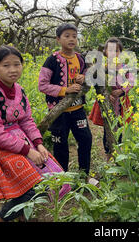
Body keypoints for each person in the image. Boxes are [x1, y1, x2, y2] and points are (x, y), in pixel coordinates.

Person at [0, 45, 64, 222]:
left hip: (20, 141)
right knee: (35, 183)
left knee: (50, 177)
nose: (13, 70)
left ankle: (21, 213)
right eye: (6, 65)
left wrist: (38, 144)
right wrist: (28, 150)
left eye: (17, 64)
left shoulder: (20, 90)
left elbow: (26, 120)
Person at [38, 23, 94, 178]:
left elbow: (88, 73)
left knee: (86, 140)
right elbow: (42, 85)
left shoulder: (80, 58)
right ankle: (62, 179)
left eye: (74, 36)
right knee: (60, 144)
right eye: (67, 36)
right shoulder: (52, 60)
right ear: (58, 39)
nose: (71, 39)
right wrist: (65, 90)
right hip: (58, 112)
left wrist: (84, 76)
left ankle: (84, 175)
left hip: (77, 110)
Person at [89, 37, 134, 161]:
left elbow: (131, 82)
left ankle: (118, 154)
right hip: (106, 103)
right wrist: (106, 94)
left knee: (118, 128)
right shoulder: (102, 67)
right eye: (110, 50)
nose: (113, 53)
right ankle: (109, 155)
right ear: (105, 52)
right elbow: (97, 83)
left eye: (117, 50)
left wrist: (121, 90)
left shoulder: (124, 67)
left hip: (120, 103)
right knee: (107, 128)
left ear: (121, 52)